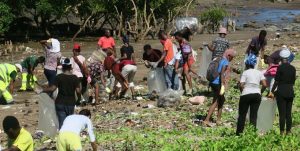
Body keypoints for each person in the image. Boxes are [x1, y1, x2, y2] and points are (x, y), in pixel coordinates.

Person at [42, 58, 81, 129]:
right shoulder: (75, 78)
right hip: (70, 103)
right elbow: (78, 91)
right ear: (70, 67)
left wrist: (42, 90)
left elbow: (52, 89)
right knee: (69, 123)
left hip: (60, 103)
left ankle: (61, 137)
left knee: (62, 123)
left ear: (62, 67)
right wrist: (79, 99)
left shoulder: (59, 77)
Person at [203, 49, 236, 126]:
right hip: (218, 83)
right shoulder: (225, 61)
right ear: (229, 55)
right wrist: (222, 85)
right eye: (232, 57)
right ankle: (206, 120)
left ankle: (218, 120)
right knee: (216, 101)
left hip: (213, 82)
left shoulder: (220, 59)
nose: (232, 59)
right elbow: (221, 73)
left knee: (221, 100)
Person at [236, 56, 267, 135]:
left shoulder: (245, 72)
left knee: (242, 115)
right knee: (253, 115)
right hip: (256, 94)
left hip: (246, 93)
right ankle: (252, 134)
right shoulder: (259, 72)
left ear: (247, 64)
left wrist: (242, 91)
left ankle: (239, 134)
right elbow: (265, 84)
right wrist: (260, 91)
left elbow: (241, 84)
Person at [270, 49, 296, 135]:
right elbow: (293, 82)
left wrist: (272, 91)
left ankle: (281, 132)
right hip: (290, 91)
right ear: (288, 58)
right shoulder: (293, 68)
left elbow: (276, 81)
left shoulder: (280, 68)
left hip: (281, 91)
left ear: (281, 58)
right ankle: (288, 131)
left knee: (282, 114)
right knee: (288, 113)